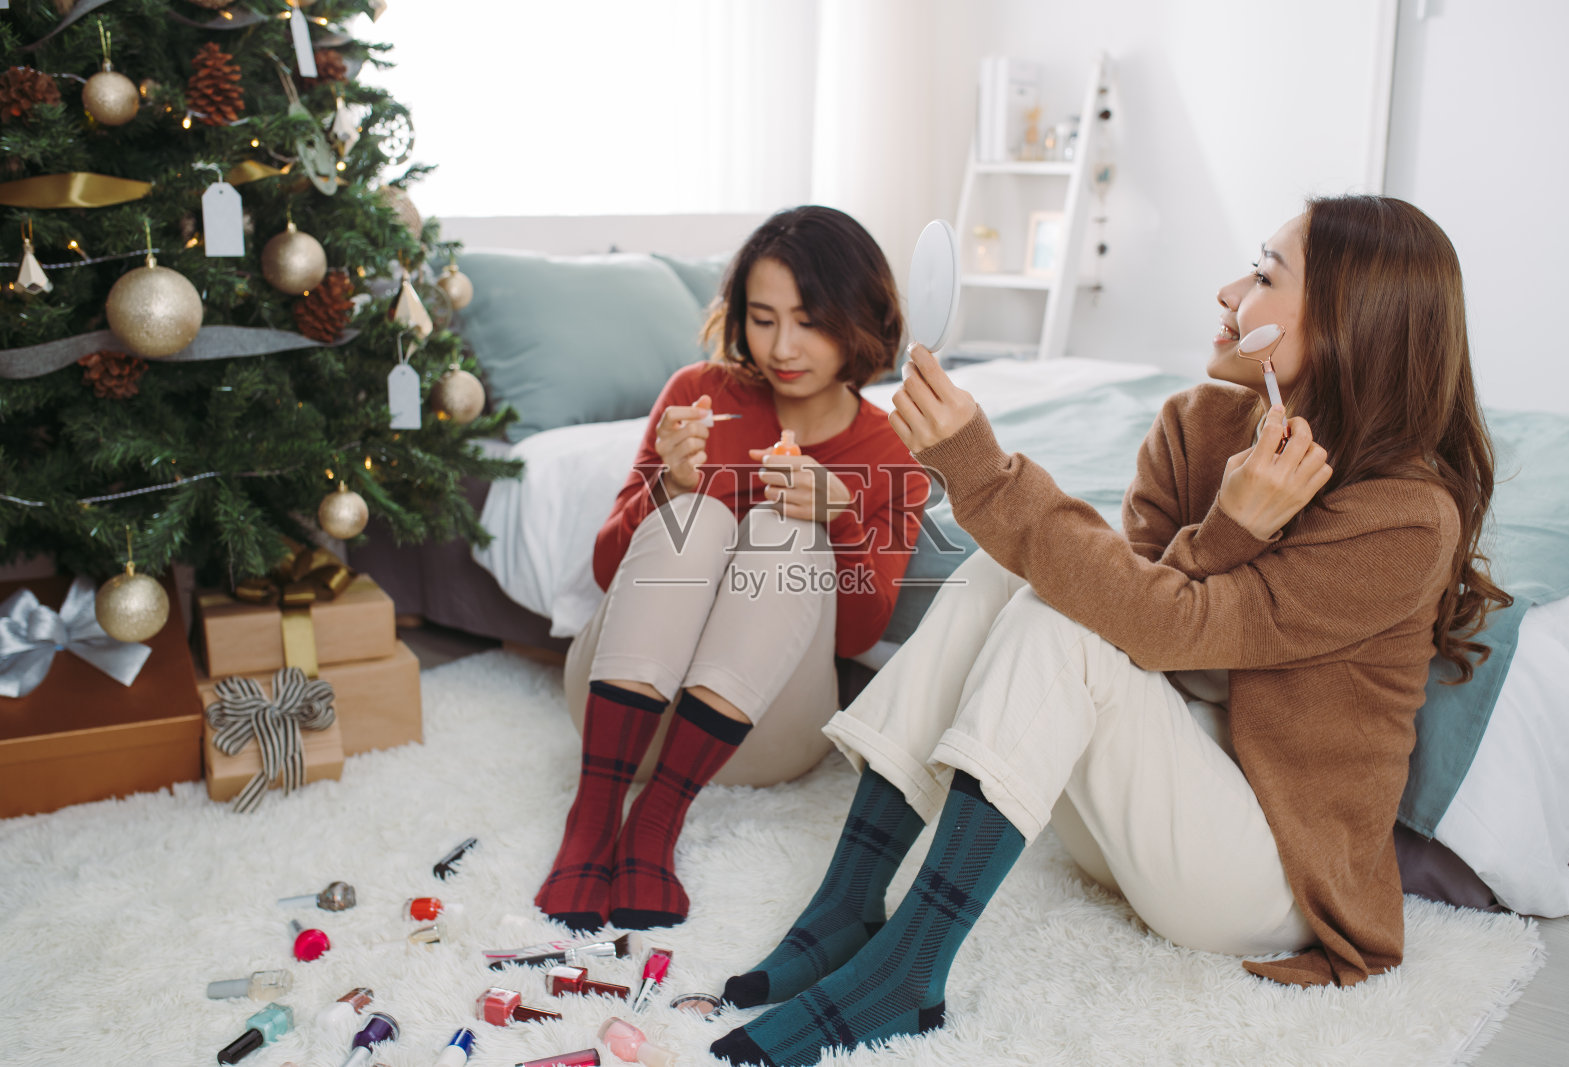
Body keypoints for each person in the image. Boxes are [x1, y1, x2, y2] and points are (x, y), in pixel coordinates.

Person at [711, 195, 1512, 1066]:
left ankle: (908, 968)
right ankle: (848, 905)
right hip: (1136, 820)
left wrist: (981, 469)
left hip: (1266, 867)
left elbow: (1153, 628)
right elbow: (1124, 608)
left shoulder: (1403, 517)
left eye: (1263, 274)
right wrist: (1229, 527)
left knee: (1068, 611)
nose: (1227, 290)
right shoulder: (1195, 425)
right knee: (1013, 576)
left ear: (1353, 324)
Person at [537, 205, 931, 934]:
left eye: (810, 320)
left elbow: (859, 634)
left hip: (756, 734)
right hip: (616, 709)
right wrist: (669, 486)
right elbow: (604, 568)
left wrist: (838, 517)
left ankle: (655, 824)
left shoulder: (891, 449)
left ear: (861, 318)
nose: (783, 347)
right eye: (763, 317)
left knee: (786, 525)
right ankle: (592, 820)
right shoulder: (700, 392)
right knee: (700, 513)